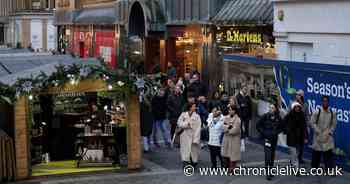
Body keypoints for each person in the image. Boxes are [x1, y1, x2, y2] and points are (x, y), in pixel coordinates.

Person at [256, 103, 284, 180]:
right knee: (268, 156)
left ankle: (271, 170)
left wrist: (277, 132)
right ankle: (268, 172)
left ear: (275, 109)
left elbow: (282, 127)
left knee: (272, 156)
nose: (271, 109)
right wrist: (264, 132)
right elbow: (258, 125)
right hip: (267, 139)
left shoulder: (278, 117)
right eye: (270, 108)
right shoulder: (265, 116)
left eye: (272, 108)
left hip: (274, 139)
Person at [310, 96, 337, 171]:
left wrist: (330, 133)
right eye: (324, 101)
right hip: (318, 136)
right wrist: (317, 131)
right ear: (322, 102)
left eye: (326, 101)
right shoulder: (317, 112)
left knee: (328, 154)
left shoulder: (332, 113)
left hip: (327, 137)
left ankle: (329, 169)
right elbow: (312, 122)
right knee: (316, 153)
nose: (325, 102)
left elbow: (334, 124)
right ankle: (314, 168)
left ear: (328, 102)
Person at [177, 103, 202, 168]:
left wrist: (196, 138)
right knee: (185, 149)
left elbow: (198, 128)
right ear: (190, 107)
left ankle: (194, 162)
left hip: (193, 135)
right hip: (184, 135)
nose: (195, 107)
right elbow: (179, 123)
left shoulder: (197, 116)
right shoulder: (183, 114)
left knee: (193, 150)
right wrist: (186, 125)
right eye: (194, 106)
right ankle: (185, 162)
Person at [283, 102, 306, 170]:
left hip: (299, 137)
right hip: (291, 137)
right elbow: (284, 122)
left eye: (298, 107)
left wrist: (305, 136)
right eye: (295, 107)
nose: (297, 108)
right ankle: (296, 168)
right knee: (294, 153)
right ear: (293, 108)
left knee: (297, 153)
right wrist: (287, 130)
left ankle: (293, 164)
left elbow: (304, 126)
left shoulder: (302, 115)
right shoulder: (289, 115)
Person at [221, 105, 241, 171]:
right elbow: (223, 127)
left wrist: (227, 128)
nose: (230, 111)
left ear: (235, 111)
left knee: (233, 156)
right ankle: (226, 167)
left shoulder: (238, 119)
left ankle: (232, 169)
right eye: (229, 110)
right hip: (226, 139)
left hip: (234, 140)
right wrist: (229, 127)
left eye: (231, 110)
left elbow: (235, 130)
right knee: (226, 154)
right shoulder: (226, 117)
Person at [295, 89, 310, 164]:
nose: (296, 96)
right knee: (296, 145)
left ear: (302, 96)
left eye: (298, 95)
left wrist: (307, 125)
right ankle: (295, 159)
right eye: (296, 94)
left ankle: (300, 158)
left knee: (301, 145)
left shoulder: (305, 105)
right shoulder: (293, 104)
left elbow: (307, 116)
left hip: (302, 128)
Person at [236, 85, 252, 152]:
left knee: (246, 126)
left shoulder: (248, 97)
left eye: (246, 89)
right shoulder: (237, 96)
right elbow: (237, 106)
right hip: (240, 115)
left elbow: (250, 106)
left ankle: (246, 138)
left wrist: (250, 115)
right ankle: (242, 140)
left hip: (247, 115)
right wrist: (241, 106)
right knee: (240, 128)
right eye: (244, 89)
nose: (246, 90)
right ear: (241, 89)